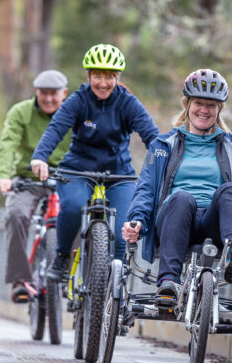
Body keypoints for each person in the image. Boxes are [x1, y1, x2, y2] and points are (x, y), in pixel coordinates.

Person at [122, 68, 232, 307]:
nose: (204, 110)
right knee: (182, 197)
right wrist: (136, 220)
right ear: (187, 104)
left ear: (219, 110)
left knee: (230, 190)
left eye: (211, 105)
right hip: (176, 218)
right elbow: (146, 188)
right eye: (199, 103)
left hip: (215, 223)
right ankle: (168, 283)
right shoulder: (163, 145)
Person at [31, 44, 159, 281]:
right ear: (89, 76)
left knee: (124, 230)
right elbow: (56, 129)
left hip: (119, 173)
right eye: (97, 76)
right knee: (72, 206)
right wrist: (40, 157)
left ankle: (115, 284)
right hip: (77, 169)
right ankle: (61, 256)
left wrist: (165, 160)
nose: (103, 83)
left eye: (109, 76)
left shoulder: (128, 103)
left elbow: (152, 135)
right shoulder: (78, 100)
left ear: (117, 78)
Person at [0, 70, 71, 303]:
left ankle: (73, 275)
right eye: (43, 94)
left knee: (81, 215)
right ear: (36, 92)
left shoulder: (74, 112)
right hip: (28, 178)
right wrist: (3, 176)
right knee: (16, 214)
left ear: (64, 93)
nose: (48, 99)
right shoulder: (21, 112)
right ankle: (19, 280)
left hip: (66, 178)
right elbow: (8, 144)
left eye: (54, 94)